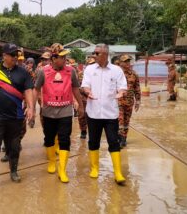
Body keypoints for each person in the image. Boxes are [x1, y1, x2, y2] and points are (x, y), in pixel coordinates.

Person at [0, 43, 34, 191]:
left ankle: (14, 171)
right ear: (4, 56)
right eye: (12, 55)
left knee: (14, 146)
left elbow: (28, 91)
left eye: (17, 54)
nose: (16, 57)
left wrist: (31, 108)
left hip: (16, 116)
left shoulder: (23, 73)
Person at [33, 43, 84, 183]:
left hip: (66, 110)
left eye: (65, 56)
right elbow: (36, 89)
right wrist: (31, 108)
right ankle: (51, 162)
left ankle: (62, 169)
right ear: (54, 58)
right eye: (62, 56)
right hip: (49, 111)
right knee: (49, 139)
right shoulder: (43, 71)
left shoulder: (71, 71)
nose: (65, 59)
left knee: (64, 139)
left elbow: (75, 89)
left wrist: (80, 105)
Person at [81, 43, 127, 185]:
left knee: (113, 141)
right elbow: (85, 85)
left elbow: (123, 87)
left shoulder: (116, 70)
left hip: (110, 114)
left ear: (105, 54)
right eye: (94, 53)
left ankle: (118, 173)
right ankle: (95, 168)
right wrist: (88, 92)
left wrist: (120, 93)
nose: (94, 55)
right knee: (93, 141)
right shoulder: (89, 69)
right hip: (93, 112)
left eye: (96, 53)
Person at [118, 54, 141, 148]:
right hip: (118, 101)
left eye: (128, 61)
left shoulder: (134, 74)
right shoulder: (117, 73)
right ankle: (119, 139)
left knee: (126, 121)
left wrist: (138, 101)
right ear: (121, 63)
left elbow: (137, 88)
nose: (127, 63)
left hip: (129, 102)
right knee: (120, 120)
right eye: (125, 61)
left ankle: (124, 139)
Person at [77, 57, 96, 139]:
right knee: (82, 115)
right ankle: (83, 131)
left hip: (94, 98)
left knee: (94, 115)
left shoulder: (98, 74)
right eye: (90, 64)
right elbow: (77, 87)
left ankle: (93, 131)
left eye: (93, 64)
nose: (92, 66)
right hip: (83, 97)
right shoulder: (81, 74)